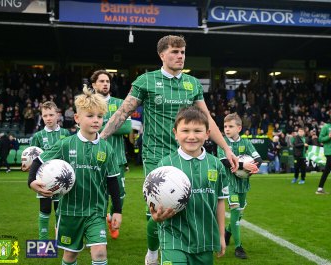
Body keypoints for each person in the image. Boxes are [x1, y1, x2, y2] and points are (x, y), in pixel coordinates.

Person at [100, 35, 238, 265]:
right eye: (174, 52)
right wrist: (101, 138)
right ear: (162, 55)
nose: (180, 56)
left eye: (182, 52)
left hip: (189, 155)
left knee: (188, 206)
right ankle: (153, 252)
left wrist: (226, 148)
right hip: (157, 155)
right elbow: (122, 113)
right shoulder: (146, 80)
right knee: (158, 210)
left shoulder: (192, 84)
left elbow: (207, 119)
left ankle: (184, 249)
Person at [28, 85, 122, 265]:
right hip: (70, 212)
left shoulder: (107, 149)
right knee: (70, 256)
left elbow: (112, 181)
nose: (96, 120)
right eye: (90, 116)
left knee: (100, 252)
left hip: (96, 211)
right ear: (77, 118)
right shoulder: (66, 144)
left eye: (100, 116)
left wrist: (117, 210)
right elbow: (39, 160)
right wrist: (31, 181)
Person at [150, 106, 228, 265]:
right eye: (185, 130)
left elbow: (220, 201)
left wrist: (220, 236)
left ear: (207, 134)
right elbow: (154, 199)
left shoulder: (216, 165)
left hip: (204, 239)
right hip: (173, 236)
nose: (191, 136)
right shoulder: (166, 165)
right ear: (175, 134)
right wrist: (155, 216)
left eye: (197, 131)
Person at [91, 69, 132, 239]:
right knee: (96, 194)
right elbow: (85, 127)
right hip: (93, 157)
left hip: (117, 158)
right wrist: (113, 123)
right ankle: (97, 227)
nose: (105, 84)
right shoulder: (88, 104)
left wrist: (100, 125)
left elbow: (126, 127)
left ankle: (112, 218)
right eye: (101, 81)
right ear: (94, 85)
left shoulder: (120, 103)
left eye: (107, 81)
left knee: (119, 195)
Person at [217, 113, 261, 259]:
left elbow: (258, 159)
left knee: (239, 213)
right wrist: (243, 164)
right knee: (235, 211)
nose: (227, 129)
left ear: (239, 128)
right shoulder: (223, 142)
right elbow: (224, 161)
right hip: (228, 183)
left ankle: (228, 231)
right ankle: (238, 247)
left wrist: (254, 167)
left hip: (243, 183)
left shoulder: (246, 143)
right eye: (225, 126)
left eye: (230, 126)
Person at [29, 101, 71, 240]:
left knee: (61, 210)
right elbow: (33, 158)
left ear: (57, 115)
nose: (48, 118)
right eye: (45, 115)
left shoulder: (66, 133)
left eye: (51, 114)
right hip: (44, 180)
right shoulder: (38, 136)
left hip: (63, 179)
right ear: (42, 117)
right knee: (45, 210)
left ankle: (61, 238)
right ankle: (43, 240)